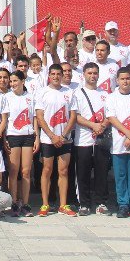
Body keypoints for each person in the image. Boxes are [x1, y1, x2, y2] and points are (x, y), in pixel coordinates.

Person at [35, 64, 77, 217]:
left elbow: (73, 116)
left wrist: (64, 135)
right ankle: (45, 204)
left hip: (65, 139)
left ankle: (63, 204)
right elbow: (40, 117)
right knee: (47, 170)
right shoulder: (42, 93)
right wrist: (52, 136)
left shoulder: (70, 92)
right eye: (53, 74)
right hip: (48, 139)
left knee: (63, 171)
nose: (56, 76)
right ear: (49, 75)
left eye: (58, 74)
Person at [73, 63, 110, 215]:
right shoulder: (78, 93)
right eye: (89, 73)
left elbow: (110, 114)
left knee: (102, 172)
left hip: (101, 139)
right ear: (84, 74)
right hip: (83, 140)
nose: (92, 76)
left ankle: (101, 202)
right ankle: (84, 203)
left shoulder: (105, 94)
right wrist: (92, 125)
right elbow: (75, 116)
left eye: (95, 73)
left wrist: (102, 126)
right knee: (83, 173)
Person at [106, 68, 130, 218]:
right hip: (118, 143)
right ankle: (123, 205)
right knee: (120, 176)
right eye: (122, 79)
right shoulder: (111, 97)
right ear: (117, 80)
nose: (125, 81)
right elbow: (111, 117)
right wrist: (127, 133)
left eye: (128, 78)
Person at [3, 69, 37, 217]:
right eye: (11, 81)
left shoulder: (31, 97)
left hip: (28, 136)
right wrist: (4, 138)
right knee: (14, 171)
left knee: (26, 171)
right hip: (13, 135)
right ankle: (14, 202)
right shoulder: (7, 97)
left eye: (15, 81)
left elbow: (35, 117)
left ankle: (25, 203)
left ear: (23, 81)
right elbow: (4, 119)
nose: (13, 84)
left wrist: (37, 136)